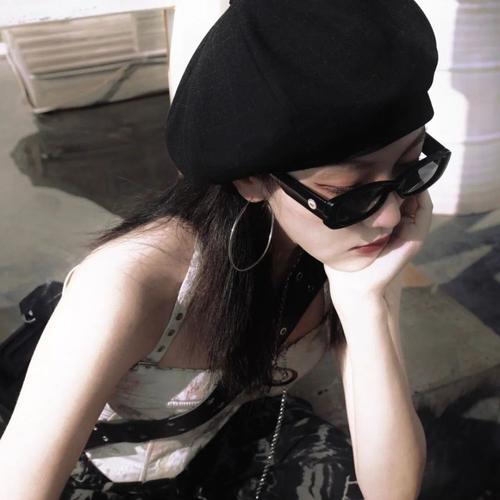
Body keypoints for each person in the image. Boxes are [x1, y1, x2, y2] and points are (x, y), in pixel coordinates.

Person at [0, 0, 451, 498]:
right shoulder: (128, 283)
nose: (391, 215)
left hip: (212, 450)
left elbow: (393, 491)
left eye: (412, 166)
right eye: (347, 192)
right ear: (251, 181)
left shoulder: (350, 246)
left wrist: (366, 305)